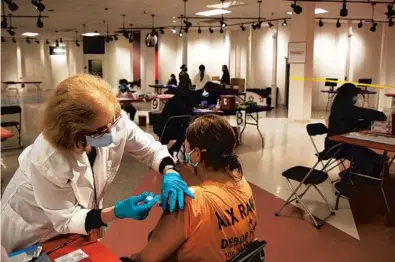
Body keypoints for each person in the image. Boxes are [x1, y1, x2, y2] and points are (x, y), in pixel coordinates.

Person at [1, 74, 194, 253]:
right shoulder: (47, 158)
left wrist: (170, 171)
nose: (112, 133)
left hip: (74, 229)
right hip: (32, 229)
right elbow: (66, 219)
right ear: (75, 133)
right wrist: (117, 211)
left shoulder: (111, 119)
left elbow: (150, 150)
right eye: (101, 130)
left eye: (112, 123)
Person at [123, 115, 258, 262]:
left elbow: (146, 259)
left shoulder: (190, 200)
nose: (184, 153)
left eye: (186, 148)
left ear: (197, 154)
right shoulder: (241, 181)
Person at [325, 83, 387, 177]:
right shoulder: (343, 108)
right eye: (355, 95)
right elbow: (363, 113)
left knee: (376, 158)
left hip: (346, 143)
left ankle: (357, 175)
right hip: (337, 146)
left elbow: (353, 122)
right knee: (370, 159)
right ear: (348, 95)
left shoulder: (340, 106)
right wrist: (379, 116)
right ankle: (350, 177)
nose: (356, 98)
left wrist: (370, 125)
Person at [153, 88, 201, 154]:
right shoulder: (187, 104)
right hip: (178, 131)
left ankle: (171, 151)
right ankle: (175, 150)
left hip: (165, 129)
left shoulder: (172, 101)